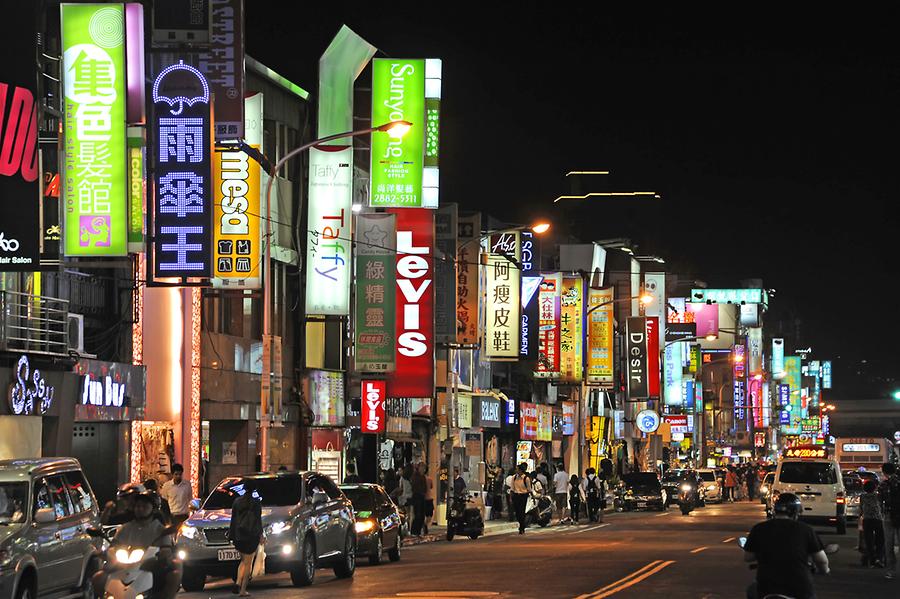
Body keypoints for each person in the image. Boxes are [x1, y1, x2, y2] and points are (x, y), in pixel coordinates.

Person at [93, 492, 182, 599]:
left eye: (144, 506)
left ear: (153, 509)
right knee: (98, 578)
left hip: (149, 566)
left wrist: (163, 553)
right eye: (138, 506)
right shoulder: (125, 528)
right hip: (123, 566)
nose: (140, 509)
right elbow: (114, 546)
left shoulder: (160, 529)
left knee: (174, 575)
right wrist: (105, 553)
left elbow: (166, 549)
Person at [743, 493, 829, 599]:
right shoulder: (806, 530)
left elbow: (748, 557)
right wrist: (824, 570)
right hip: (799, 587)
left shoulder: (759, 528)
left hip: (767, 586)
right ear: (796, 512)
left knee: (752, 592)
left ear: (775, 510)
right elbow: (821, 560)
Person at [229, 482, 264, 597]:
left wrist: (231, 536)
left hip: (239, 536)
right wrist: (261, 536)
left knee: (243, 560)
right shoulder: (256, 503)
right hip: (251, 535)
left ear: (243, 489)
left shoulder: (237, 502)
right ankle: (243, 590)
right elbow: (258, 521)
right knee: (248, 563)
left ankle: (238, 582)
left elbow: (233, 520)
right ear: (254, 489)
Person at [878, 461, 900, 578]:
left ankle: (891, 570)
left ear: (884, 472)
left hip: (888, 516)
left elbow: (880, 501)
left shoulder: (883, 485)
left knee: (889, 543)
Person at [861, 478, 886, 568]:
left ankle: (872, 560)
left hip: (867, 520)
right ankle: (879, 558)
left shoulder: (862, 496)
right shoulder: (877, 496)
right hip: (878, 519)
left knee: (869, 541)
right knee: (880, 539)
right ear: (874, 488)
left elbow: (861, 508)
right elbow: (882, 505)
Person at [510, 463, 533, 535]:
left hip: (523, 496)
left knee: (521, 511)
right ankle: (522, 524)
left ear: (521, 470)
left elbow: (529, 489)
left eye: (517, 469)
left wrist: (533, 496)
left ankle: (522, 527)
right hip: (516, 496)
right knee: (517, 512)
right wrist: (511, 497)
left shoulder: (526, 478)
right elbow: (512, 489)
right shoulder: (514, 477)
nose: (516, 470)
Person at [411, 462, 427, 536]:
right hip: (417, 496)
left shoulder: (423, 476)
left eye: (424, 468)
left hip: (422, 496)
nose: (423, 469)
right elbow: (414, 486)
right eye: (422, 468)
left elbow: (425, 487)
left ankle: (418, 531)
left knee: (422, 515)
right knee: (418, 514)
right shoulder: (415, 476)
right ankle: (414, 531)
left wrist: (424, 492)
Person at [423, 463, 435, 532]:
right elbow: (431, 487)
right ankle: (425, 524)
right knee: (430, 514)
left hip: (423, 498)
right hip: (429, 498)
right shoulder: (429, 479)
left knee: (423, 513)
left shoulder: (420, 478)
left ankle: (424, 525)